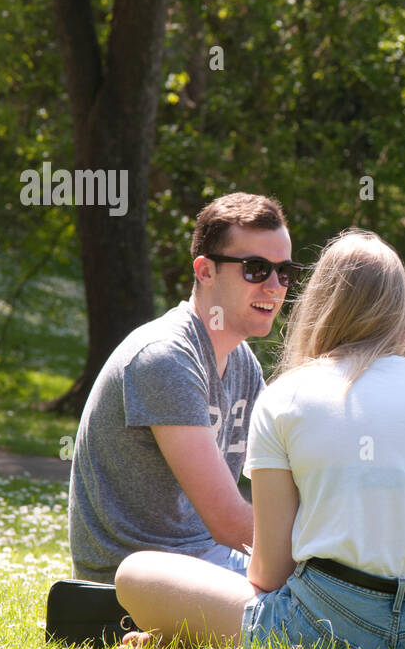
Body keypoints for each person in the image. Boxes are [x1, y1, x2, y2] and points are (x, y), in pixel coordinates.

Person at [114, 229, 405, 649]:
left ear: (319, 304)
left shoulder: (287, 396)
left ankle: (195, 637)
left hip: (327, 628)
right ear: (402, 308)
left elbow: (270, 573)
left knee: (136, 573)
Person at [68, 192, 295, 583]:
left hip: (207, 561)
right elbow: (228, 521)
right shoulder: (166, 358)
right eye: (256, 269)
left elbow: (286, 481)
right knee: (319, 606)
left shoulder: (243, 364)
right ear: (205, 272)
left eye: (285, 271)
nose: (275, 287)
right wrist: (328, 558)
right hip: (134, 581)